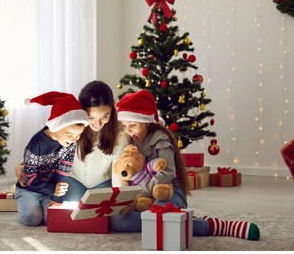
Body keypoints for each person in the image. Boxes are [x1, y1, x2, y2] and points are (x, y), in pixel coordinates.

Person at [110, 89, 260, 241]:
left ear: (147, 122)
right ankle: (180, 219)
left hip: (169, 192)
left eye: (133, 125)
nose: (128, 131)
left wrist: (139, 193)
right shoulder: (131, 141)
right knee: (118, 220)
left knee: (159, 215)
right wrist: (128, 199)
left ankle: (213, 225)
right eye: (124, 126)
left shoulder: (160, 139)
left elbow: (168, 173)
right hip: (143, 197)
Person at [15, 80, 128, 202]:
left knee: (105, 215)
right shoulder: (71, 125)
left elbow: (118, 171)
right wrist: (21, 165)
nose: (97, 124)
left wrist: (122, 198)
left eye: (105, 116)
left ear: (112, 109)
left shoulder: (120, 132)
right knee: (67, 207)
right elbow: (45, 149)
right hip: (73, 181)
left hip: (102, 183)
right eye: (91, 117)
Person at [14, 91, 89, 227]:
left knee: (54, 219)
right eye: (70, 135)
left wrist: (56, 198)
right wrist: (53, 189)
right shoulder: (36, 143)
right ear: (55, 127)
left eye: (78, 136)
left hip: (49, 190)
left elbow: (63, 174)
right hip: (29, 189)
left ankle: (42, 205)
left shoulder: (70, 145)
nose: (74, 140)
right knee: (32, 219)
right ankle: (22, 202)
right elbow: (28, 178)